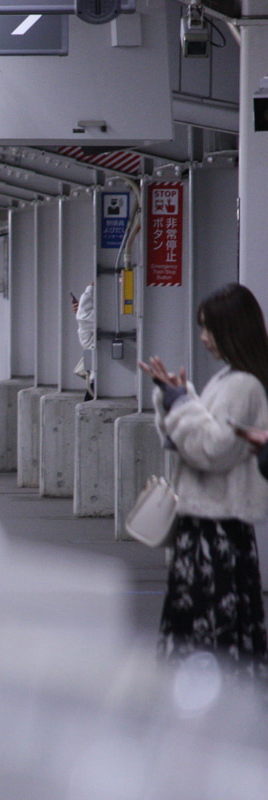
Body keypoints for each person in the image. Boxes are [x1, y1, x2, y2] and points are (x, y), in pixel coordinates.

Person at [137, 282, 268, 688]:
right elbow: (192, 438)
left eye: (209, 328)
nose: (203, 338)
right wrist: (175, 399)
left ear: (232, 329)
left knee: (206, 629)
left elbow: (213, 450)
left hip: (217, 528)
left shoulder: (244, 386)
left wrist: (181, 403)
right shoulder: (233, 379)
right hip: (212, 526)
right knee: (214, 628)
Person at [72, 282, 96, 400]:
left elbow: (84, 317)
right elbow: (84, 317)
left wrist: (90, 289)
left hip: (96, 380)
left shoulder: (101, 319)